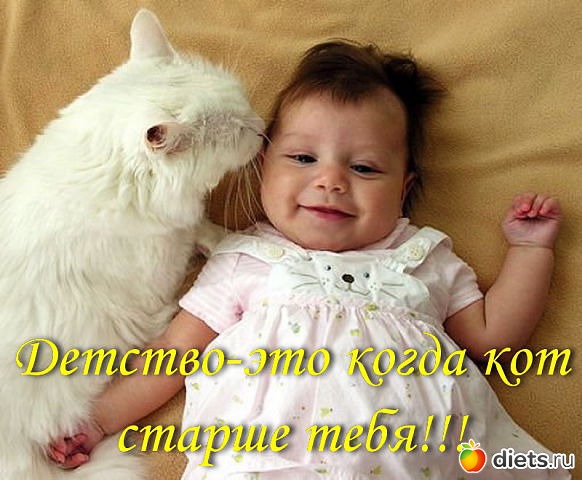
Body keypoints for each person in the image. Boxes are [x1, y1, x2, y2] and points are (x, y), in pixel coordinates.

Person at [48, 40, 569, 479]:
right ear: (262, 166)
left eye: (364, 168)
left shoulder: (422, 256)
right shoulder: (245, 259)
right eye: (302, 158)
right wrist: (98, 420)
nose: (331, 180)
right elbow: (174, 353)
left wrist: (530, 251)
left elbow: (492, 340)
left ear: (404, 187)